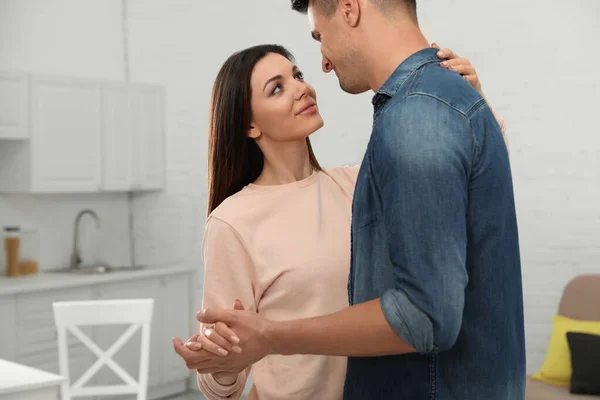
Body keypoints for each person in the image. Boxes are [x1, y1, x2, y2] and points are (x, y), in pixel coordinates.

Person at [185, 0, 526, 399]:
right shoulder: (234, 222)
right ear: (249, 124)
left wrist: (468, 107)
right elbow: (220, 377)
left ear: (349, 9)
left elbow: (465, 195)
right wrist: (225, 361)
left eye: (297, 74)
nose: (307, 83)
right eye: (277, 88)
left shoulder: (354, 184)